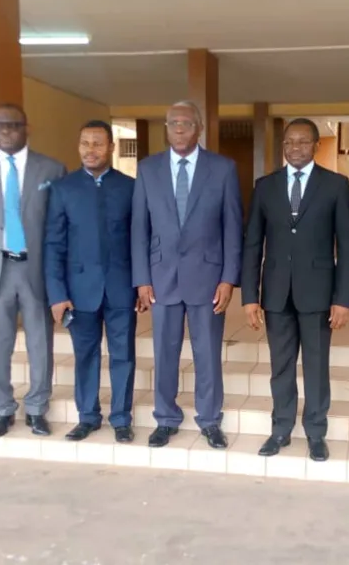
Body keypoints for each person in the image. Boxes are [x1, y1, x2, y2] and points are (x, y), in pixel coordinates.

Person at [241, 118, 349, 462]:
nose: (294, 148)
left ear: (316, 145)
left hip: (319, 293)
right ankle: (281, 429)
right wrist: (250, 296)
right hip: (276, 293)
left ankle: (316, 433)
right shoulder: (265, 186)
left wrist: (342, 298)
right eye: (289, 142)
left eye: (302, 142)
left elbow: (348, 246)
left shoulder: (335, 185)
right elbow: (252, 244)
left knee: (317, 365)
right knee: (281, 365)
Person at [131, 100, 243, 450]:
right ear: (166, 128)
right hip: (161, 277)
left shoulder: (222, 169)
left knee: (207, 352)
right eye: (172, 123)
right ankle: (166, 418)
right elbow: (139, 227)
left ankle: (209, 419)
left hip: (208, 277)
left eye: (185, 123)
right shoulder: (148, 169)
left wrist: (228, 278)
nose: (178, 128)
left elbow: (233, 227)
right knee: (164, 352)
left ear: (199, 128)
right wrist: (141, 279)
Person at [0, 104, 66, 438]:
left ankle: (36, 408)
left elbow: (60, 227)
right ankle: (2, 409)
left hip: (35, 269)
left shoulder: (52, 169)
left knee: (40, 344)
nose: (6, 131)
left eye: (13, 125)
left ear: (26, 127)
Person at [44, 120, 140, 443]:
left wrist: (142, 284)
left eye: (98, 143)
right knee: (86, 355)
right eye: (85, 143)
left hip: (121, 288)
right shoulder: (63, 188)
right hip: (78, 291)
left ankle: (121, 418)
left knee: (123, 354)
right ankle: (87, 416)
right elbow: (53, 244)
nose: (90, 150)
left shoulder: (129, 187)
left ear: (112, 147)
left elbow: (140, 240)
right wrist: (57, 294)